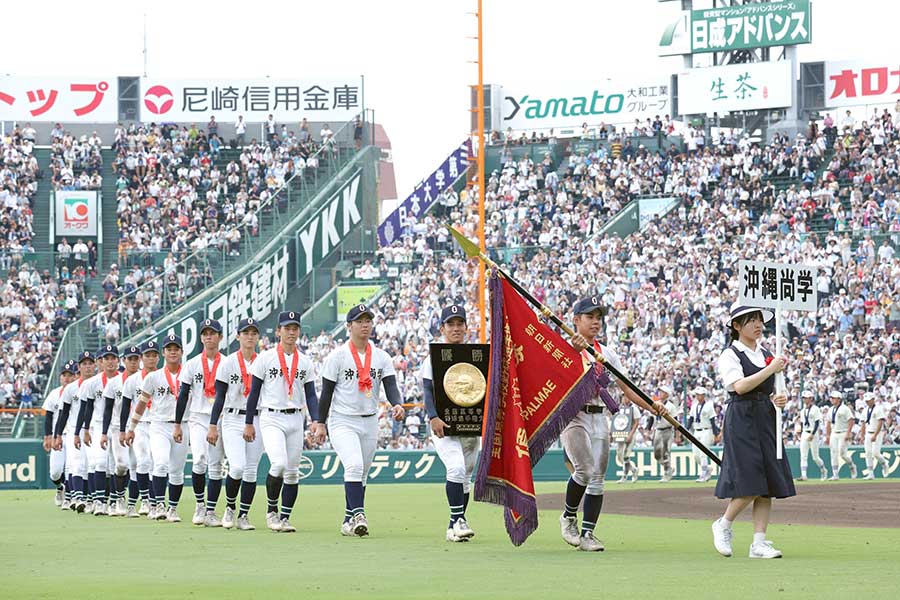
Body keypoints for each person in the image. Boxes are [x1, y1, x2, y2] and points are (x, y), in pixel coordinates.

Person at [559, 296, 667, 552]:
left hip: (600, 417)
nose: (596, 322)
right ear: (576, 320)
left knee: (597, 478)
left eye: (599, 317)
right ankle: (568, 517)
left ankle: (588, 534)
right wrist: (573, 352)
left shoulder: (607, 353)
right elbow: (554, 380)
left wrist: (653, 405)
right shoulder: (563, 348)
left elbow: (627, 389)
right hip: (574, 416)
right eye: (590, 317)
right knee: (584, 469)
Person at [711, 303, 795, 560]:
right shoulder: (730, 355)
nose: (758, 325)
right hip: (742, 417)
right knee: (750, 478)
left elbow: (773, 389)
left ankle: (759, 542)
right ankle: (723, 524)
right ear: (737, 326)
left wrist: (779, 399)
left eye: (760, 320)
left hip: (765, 416)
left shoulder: (767, 353)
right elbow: (739, 386)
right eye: (751, 321)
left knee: (767, 480)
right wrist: (771, 368)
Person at [318, 304, 406, 537]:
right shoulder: (337, 356)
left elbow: (390, 386)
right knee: (354, 465)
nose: (365, 324)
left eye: (368, 320)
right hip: (342, 420)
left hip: (369, 420)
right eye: (360, 321)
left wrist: (397, 404)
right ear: (349, 326)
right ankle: (359, 515)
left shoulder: (381, 356)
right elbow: (326, 393)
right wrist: (319, 422)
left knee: (362, 472)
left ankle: (348, 520)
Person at [244, 311, 322, 533]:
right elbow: (254, 393)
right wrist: (249, 422)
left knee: (293, 471)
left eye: (294, 328)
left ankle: (285, 517)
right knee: (278, 463)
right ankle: (271, 512)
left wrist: (315, 420)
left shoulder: (305, 361)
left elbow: (310, 395)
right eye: (286, 328)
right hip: (271, 416)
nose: (291, 332)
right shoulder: (265, 358)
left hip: (296, 417)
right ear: (278, 331)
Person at [420, 305, 479, 542]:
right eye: (450, 324)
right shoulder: (433, 356)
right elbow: (427, 389)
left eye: (459, 324)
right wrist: (433, 416)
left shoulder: (476, 354)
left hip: (470, 424)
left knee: (465, 477)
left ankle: (454, 525)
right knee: (455, 468)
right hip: (443, 424)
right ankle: (459, 520)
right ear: (442, 328)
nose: (456, 328)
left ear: (466, 327)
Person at [209, 318, 262, 530]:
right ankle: (230, 507)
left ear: (258, 337)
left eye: (253, 333)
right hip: (232, 417)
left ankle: (244, 515)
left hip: (257, 418)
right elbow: (220, 397)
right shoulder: (228, 362)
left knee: (251, 471)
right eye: (245, 332)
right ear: (238, 336)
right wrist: (213, 425)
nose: (250, 336)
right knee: (237, 467)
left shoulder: (264, 360)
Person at [129, 334, 189, 522]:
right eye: (169, 348)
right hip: (159, 425)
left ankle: (173, 508)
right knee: (160, 463)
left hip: (182, 425)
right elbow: (141, 404)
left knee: (177, 471)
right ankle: (158, 504)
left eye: (176, 348)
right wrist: (132, 427)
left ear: (181, 351)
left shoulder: (188, 373)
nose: (173, 351)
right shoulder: (153, 377)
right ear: (163, 353)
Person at [175, 319, 227, 527]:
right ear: (201, 337)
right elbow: (182, 395)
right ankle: (200, 505)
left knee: (215, 465)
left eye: (212, 333)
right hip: (197, 416)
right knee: (199, 459)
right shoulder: (192, 364)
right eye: (205, 333)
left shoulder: (228, 362)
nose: (208, 336)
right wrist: (177, 423)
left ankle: (212, 510)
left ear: (220, 337)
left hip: (221, 418)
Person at [78, 345, 121, 516]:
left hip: (117, 425)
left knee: (117, 464)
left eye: (113, 358)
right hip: (98, 425)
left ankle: (113, 500)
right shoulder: (92, 383)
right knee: (100, 462)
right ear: (101, 361)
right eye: (106, 358)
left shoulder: (123, 380)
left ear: (118, 360)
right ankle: (100, 501)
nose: (110, 362)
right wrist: (85, 429)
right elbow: (87, 408)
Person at [53, 351, 96, 513]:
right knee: (76, 463)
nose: (87, 367)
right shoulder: (71, 388)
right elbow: (64, 414)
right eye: (84, 364)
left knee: (92, 464)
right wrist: (58, 435)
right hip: (74, 430)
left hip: (94, 429)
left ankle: (90, 498)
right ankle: (78, 497)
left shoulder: (99, 384)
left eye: (90, 363)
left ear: (95, 365)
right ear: (79, 367)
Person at [101, 345, 142, 516]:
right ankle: (118, 498)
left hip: (141, 425)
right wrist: (104, 432)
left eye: (135, 358)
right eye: (129, 359)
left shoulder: (145, 379)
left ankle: (133, 502)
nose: (132, 362)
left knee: (138, 464)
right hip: (119, 427)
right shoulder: (114, 382)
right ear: (123, 361)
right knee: (121, 465)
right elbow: (108, 409)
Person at [121, 340, 159, 516]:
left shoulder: (163, 376)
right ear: (142, 358)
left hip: (159, 424)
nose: (151, 359)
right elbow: (125, 406)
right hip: (140, 426)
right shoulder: (132, 380)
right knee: (143, 461)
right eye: (147, 355)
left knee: (158, 464)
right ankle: (145, 501)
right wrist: (125, 429)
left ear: (159, 357)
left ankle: (155, 501)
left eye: (154, 355)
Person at [42, 361, 77, 508]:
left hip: (73, 434)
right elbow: (49, 416)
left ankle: (70, 497)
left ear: (75, 376)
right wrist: (48, 436)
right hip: (58, 435)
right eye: (64, 375)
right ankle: (60, 488)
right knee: (55, 473)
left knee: (71, 467)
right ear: (60, 377)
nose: (67, 378)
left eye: (70, 375)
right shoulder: (54, 393)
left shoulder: (79, 391)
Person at [796, 389, 827, 481]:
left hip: (813, 433)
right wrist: (801, 433)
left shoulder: (815, 409)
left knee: (815, 457)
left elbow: (817, 422)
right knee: (803, 455)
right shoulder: (803, 410)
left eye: (806, 398)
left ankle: (823, 470)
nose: (804, 400)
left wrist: (813, 434)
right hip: (805, 432)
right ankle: (804, 475)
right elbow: (802, 422)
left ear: (811, 398)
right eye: (803, 398)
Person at [825, 390, 856, 480]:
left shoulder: (845, 408)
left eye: (834, 398)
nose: (832, 400)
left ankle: (852, 466)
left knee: (842, 453)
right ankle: (835, 474)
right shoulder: (831, 410)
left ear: (839, 399)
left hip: (843, 432)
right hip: (834, 432)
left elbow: (851, 420)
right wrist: (827, 435)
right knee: (833, 453)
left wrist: (848, 432)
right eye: (831, 398)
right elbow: (828, 423)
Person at [688, 387, 717, 482]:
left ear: (703, 395)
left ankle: (703, 474)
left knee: (703, 453)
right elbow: (691, 419)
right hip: (696, 430)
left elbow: (712, 420)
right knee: (696, 455)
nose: (698, 396)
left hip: (706, 430)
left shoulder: (709, 406)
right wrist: (686, 429)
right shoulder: (694, 406)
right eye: (697, 394)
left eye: (700, 394)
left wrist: (715, 433)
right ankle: (707, 469)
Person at [652, 384, 679, 482]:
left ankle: (667, 473)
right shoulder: (656, 403)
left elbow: (676, 421)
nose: (660, 393)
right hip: (658, 429)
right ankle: (669, 468)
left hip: (667, 429)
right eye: (660, 391)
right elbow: (652, 417)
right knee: (657, 455)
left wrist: (677, 435)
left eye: (662, 392)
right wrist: (648, 428)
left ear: (667, 394)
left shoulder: (670, 406)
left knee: (666, 453)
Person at [860, 392, 888, 479]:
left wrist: (875, 434)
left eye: (869, 400)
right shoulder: (865, 410)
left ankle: (884, 464)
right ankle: (870, 473)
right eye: (866, 401)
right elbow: (863, 423)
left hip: (878, 432)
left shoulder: (878, 409)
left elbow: (880, 422)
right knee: (868, 453)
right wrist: (862, 435)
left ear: (873, 400)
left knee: (875, 453)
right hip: (868, 432)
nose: (867, 402)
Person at [615, 396, 641, 484]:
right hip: (621, 434)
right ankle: (634, 470)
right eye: (623, 397)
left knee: (626, 456)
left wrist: (630, 434)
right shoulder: (620, 408)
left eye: (627, 397)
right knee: (620, 456)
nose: (625, 399)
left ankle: (624, 477)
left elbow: (636, 422)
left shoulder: (634, 408)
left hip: (630, 433)